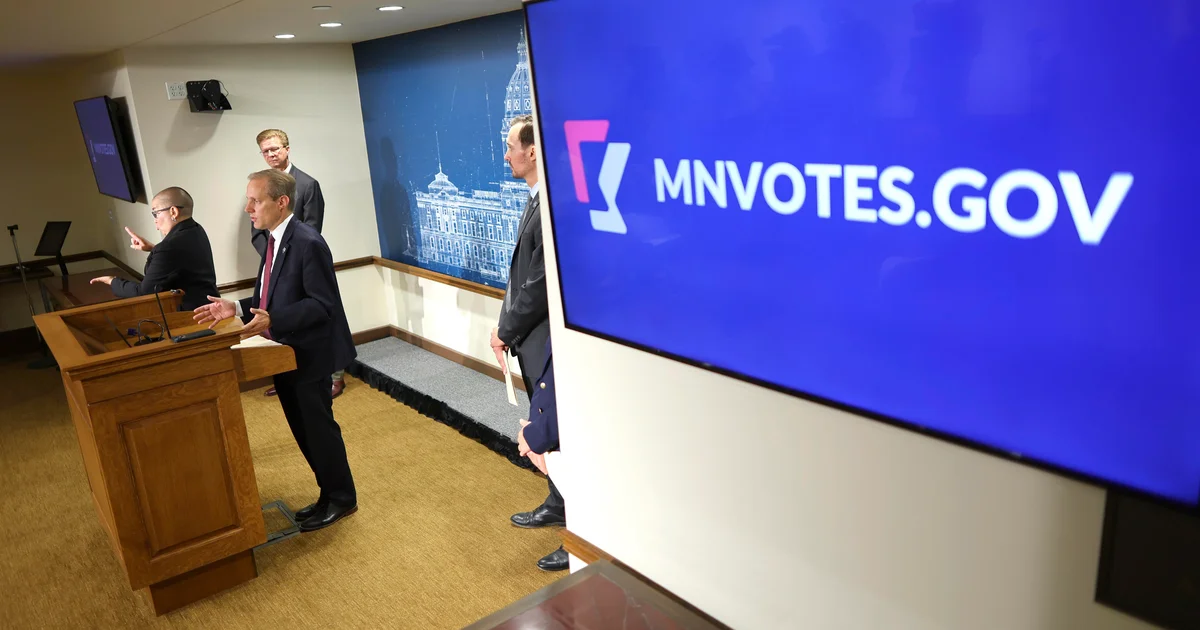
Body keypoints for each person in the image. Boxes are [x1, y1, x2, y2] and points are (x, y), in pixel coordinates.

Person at [195, 169, 357, 533]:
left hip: (311, 354)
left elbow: (322, 305)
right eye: (248, 200)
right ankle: (327, 493)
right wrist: (236, 308)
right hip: (284, 352)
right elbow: (270, 295)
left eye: (255, 201)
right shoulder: (274, 240)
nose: (248, 209)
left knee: (318, 430)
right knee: (303, 430)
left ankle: (342, 498)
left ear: (281, 202)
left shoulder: (308, 242)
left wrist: (275, 319)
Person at [490, 114, 567, 572]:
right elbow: (520, 279)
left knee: (561, 432)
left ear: (533, 150)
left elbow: (538, 285)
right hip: (531, 337)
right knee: (549, 428)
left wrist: (506, 330)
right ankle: (559, 503)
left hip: (548, 340)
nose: (506, 156)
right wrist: (504, 326)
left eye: (511, 147)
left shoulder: (551, 204)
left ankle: (580, 530)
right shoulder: (534, 199)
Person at [252, 129, 345, 399]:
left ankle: (334, 376)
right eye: (265, 151)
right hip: (275, 268)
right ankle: (287, 374)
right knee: (282, 320)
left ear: (287, 149)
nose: (271, 154)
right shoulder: (260, 186)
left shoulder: (307, 184)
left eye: (275, 149)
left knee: (317, 314)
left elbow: (312, 229)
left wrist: (285, 257)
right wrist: (274, 258)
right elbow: (257, 234)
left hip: (303, 265)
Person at [89, 187, 218, 311]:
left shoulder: (168, 247)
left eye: (155, 213)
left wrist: (112, 281)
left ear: (173, 211)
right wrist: (153, 248)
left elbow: (144, 292)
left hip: (195, 315)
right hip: (211, 306)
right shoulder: (196, 229)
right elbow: (181, 257)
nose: (155, 220)